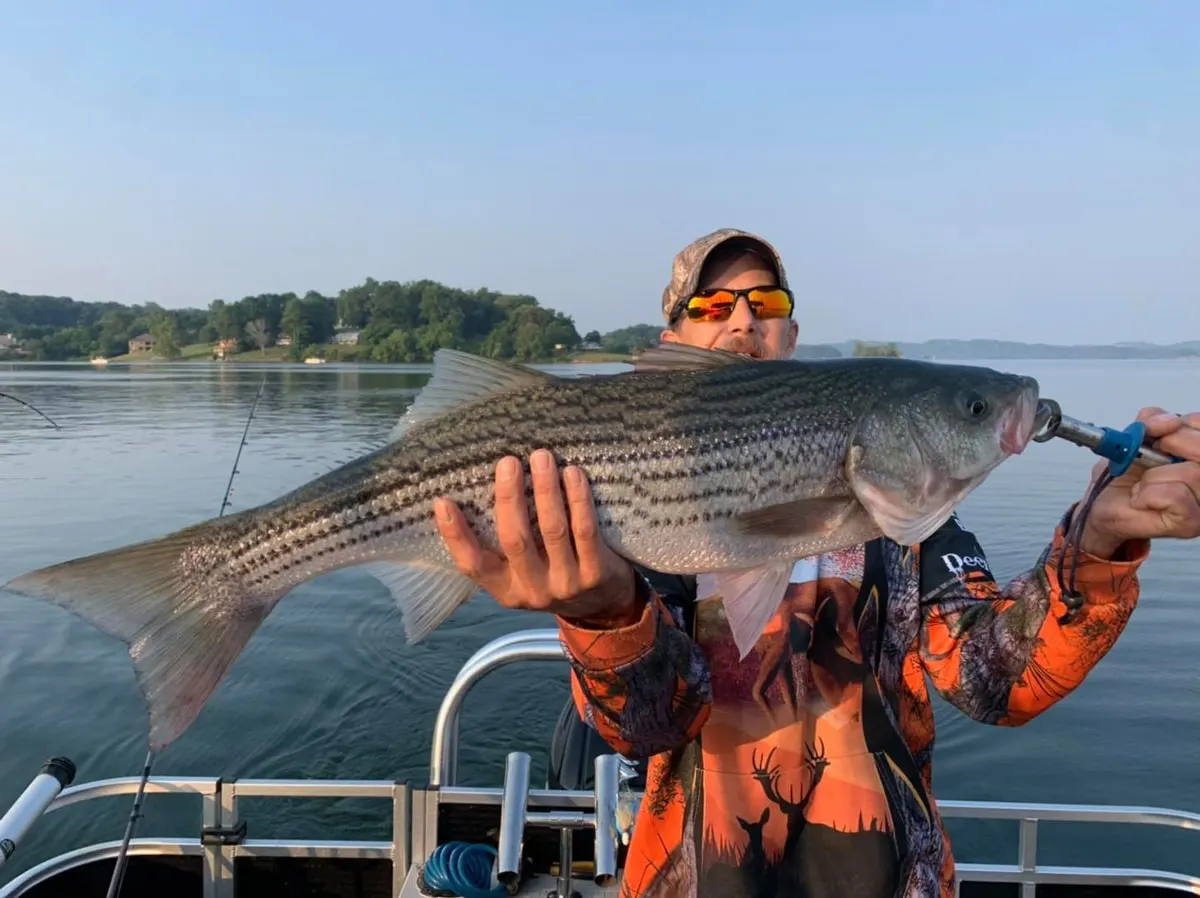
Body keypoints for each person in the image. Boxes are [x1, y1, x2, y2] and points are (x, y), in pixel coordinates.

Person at [432, 228, 1200, 898]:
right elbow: (645, 725)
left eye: (766, 305)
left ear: (792, 338)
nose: (741, 320)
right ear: (672, 347)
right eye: (710, 307)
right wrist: (603, 613)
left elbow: (997, 680)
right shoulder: (640, 524)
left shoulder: (906, 518)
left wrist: (1097, 542)